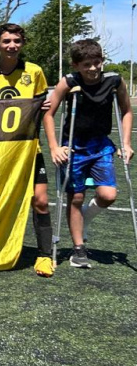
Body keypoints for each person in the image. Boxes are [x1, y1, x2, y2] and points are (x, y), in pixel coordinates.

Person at [43, 39, 133, 269]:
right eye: (87, 65)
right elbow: (49, 113)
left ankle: (85, 218)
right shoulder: (68, 82)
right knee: (77, 197)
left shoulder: (114, 81)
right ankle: (78, 249)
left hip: (101, 146)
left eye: (97, 62)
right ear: (76, 65)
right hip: (73, 146)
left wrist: (126, 143)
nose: (93, 69)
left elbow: (126, 110)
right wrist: (54, 147)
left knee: (108, 195)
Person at [0, 23, 54, 277]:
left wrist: (48, 106)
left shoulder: (35, 71)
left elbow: (44, 108)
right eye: (6, 41)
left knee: (40, 200)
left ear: (23, 43)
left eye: (17, 41)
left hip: (29, 149)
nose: (12, 46)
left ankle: (44, 256)